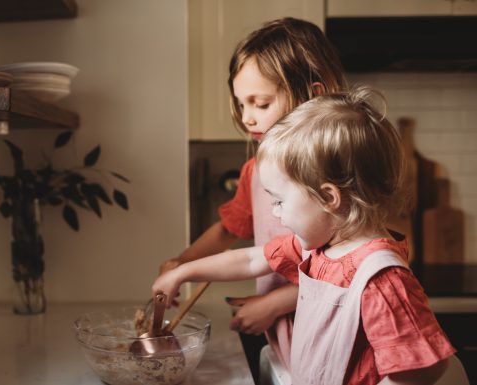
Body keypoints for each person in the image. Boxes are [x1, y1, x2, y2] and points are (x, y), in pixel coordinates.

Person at [154, 87, 455, 385]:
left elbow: (422, 370)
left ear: (328, 197)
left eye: (280, 201)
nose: (275, 212)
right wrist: (183, 272)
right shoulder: (320, 248)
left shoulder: (380, 279)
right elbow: (250, 259)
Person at [159, 17, 346, 378]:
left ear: (314, 95)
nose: (247, 118)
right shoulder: (257, 171)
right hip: (290, 348)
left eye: (260, 104)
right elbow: (231, 231)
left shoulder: (336, 177)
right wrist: (180, 265)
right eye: (240, 104)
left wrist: (276, 302)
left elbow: (350, 270)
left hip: (332, 346)